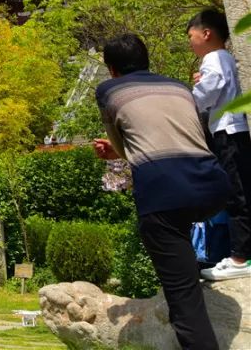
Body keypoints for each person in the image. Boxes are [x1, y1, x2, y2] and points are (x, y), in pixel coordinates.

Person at [93, 33, 231, 350]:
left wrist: (115, 152)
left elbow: (123, 143)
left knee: (183, 297)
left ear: (111, 69)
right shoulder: (179, 88)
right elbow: (183, 136)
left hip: (164, 193)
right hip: (214, 184)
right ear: (147, 61)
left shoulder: (109, 90)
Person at [187, 9, 251, 281]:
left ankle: (240, 257)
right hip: (234, 129)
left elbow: (207, 93)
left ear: (206, 34)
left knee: (238, 194)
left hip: (228, 131)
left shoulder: (212, 58)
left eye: (191, 36)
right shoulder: (224, 59)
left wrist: (191, 97)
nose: (190, 42)